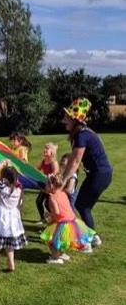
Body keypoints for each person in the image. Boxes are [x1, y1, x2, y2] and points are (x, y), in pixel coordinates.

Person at [61, 97, 113, 251]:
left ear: (74, 119)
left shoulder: (82, 135)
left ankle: (87, 243)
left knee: (83, 206)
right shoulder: (83, 133)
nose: (63, 120)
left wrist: (63, 180)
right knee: (83, 205)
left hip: (99, 175)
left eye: (66, 117)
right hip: (99, 174)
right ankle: (94, 237)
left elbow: (75, 161)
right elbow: (73, 160)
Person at [40, 174, 95, 264]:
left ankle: (56, 258)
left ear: (51, 186)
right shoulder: (63, 193)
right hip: (72, 221)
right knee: (61, 240)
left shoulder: (52, 198)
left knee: (52, 241)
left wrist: (48, 215)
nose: (45, 187)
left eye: (46, 185)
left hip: (63, 222)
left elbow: (57, 212)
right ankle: (61, 254)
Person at [35, 143, 59, 224]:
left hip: (52, 186)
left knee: (48, 204)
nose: (44, 150)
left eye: (47, 148)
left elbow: (56, 174)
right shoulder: (44, 161)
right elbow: (36, 169)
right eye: (44, 148)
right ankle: (43, 218)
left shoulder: (54, 162)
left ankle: (55, 218)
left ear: (52, 151)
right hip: (45, 185)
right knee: (39, 201)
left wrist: (49, 175)